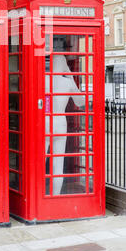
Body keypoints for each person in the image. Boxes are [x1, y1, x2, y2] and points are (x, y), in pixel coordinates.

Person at [45, 55, 85, 195]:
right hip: (60, 122)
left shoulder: (44, 79)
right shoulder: (67, 83)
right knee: (58, 165)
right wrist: (69, 75)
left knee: (40, 161)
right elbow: (80, 102)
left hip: (45, 121)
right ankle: (55, 197)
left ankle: (39, 196)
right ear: (63, 66)